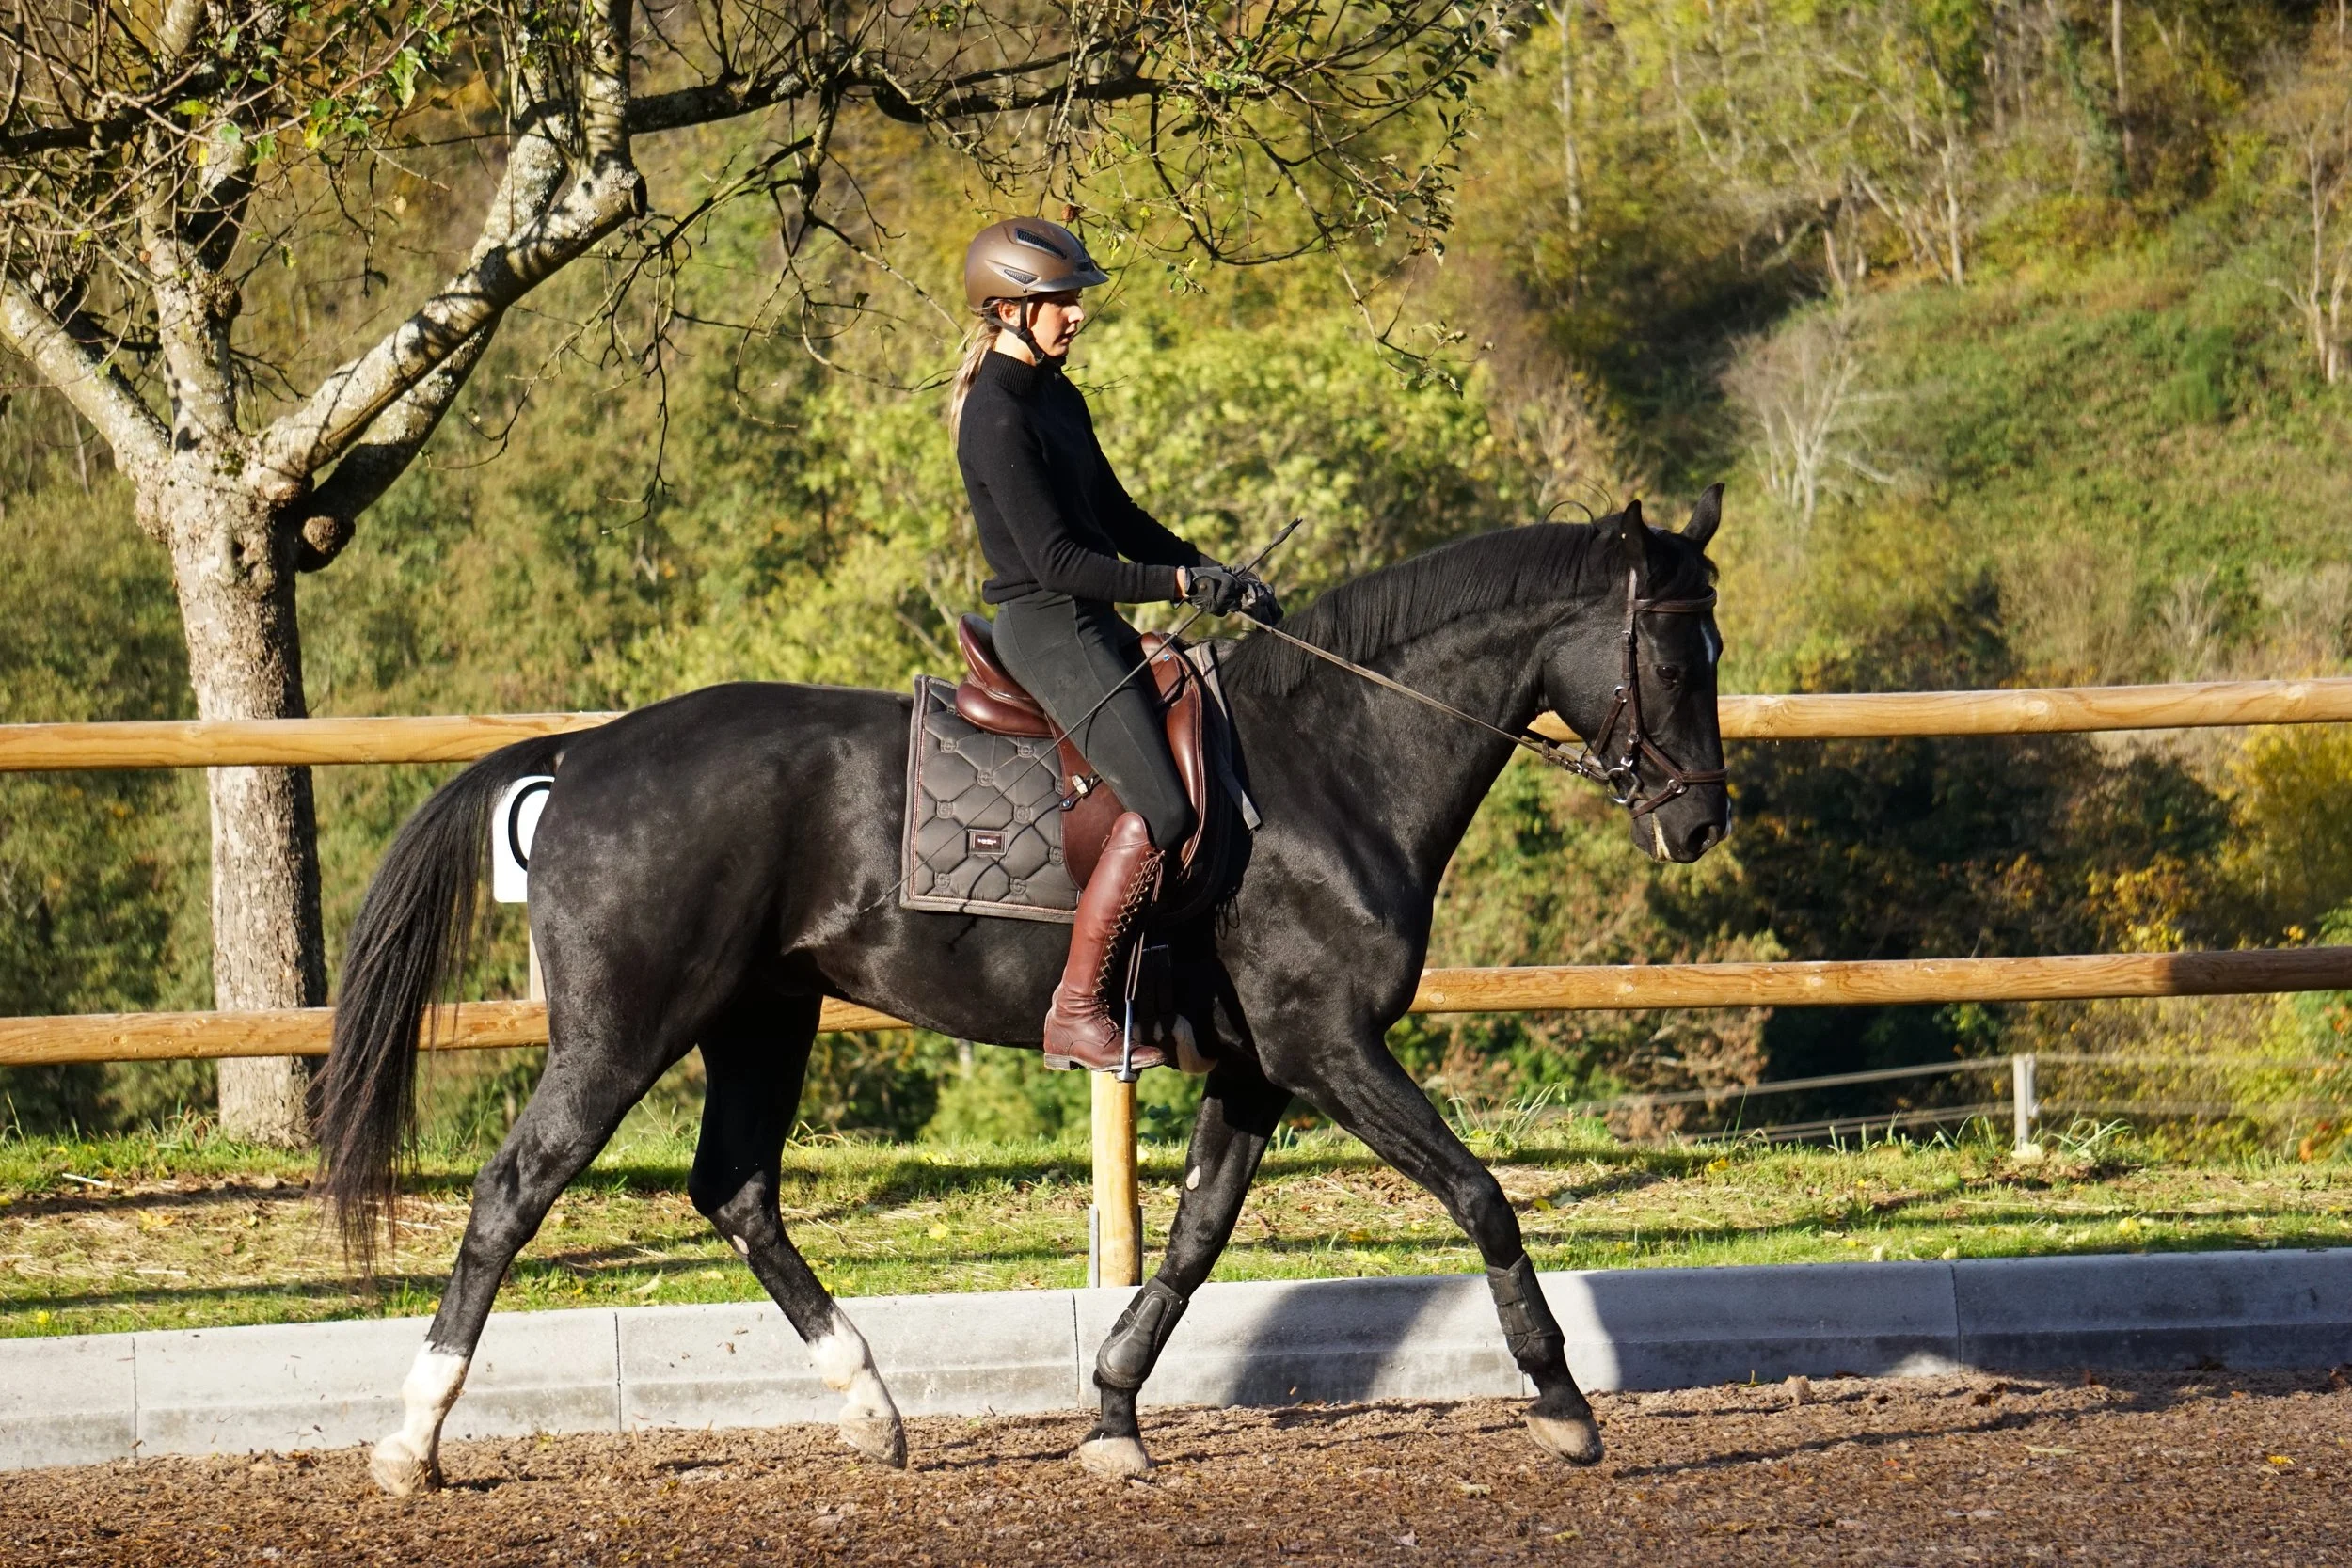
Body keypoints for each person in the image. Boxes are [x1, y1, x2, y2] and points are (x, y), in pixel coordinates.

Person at [950, 216, 1279, 1073]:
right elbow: (1059, 561)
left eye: (1073, 299)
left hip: (1088, 615)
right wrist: (1174, 589)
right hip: (1046, 622)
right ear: (1008, 311)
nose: (1076, 314)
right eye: (1059, 300)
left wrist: (1209, 568)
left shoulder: (1059, 397)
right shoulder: (994, 414)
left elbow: (1119, 520)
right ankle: (1077, 1007)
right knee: (1166, 810)